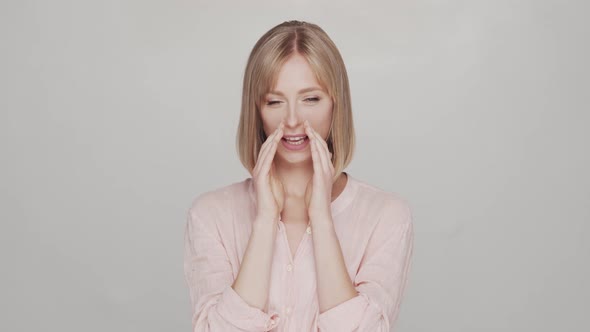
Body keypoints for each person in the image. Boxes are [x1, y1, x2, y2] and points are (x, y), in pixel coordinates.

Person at [183, 20, 414, 332]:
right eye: (275, 101)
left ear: (336, 105)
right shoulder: (210, 215)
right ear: (257, 111)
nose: (292, 120)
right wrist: (265, 220)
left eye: (311, 99)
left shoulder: (386, 216)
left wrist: (321, 217)